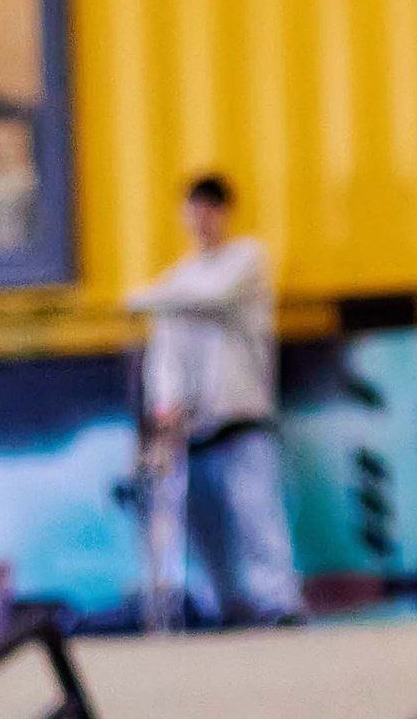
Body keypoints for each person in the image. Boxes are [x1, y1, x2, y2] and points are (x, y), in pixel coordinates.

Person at [126, 174, 306, 630]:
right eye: (195, 209)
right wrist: (165, 407)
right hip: (194, 424)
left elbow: (211, 299)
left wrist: (147, 298)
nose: (202, 219)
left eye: (210, 208)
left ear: (225, 213)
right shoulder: (177, 280)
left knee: (257, 514)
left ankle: (278, 602)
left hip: (241, 414)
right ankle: (224, 606)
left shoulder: (247, 260)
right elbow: (164, 352)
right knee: (203, 527)